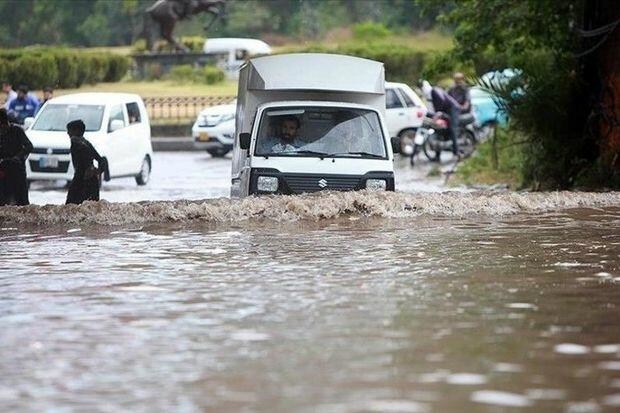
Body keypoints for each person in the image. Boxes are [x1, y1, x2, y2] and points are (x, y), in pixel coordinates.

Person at [65, 119, 109, 205]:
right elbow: (100, 159)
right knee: (90, 208)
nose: (68, 133)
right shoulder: (85, 142)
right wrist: (97, 171)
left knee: (71, 206)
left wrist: (90, 170)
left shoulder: (76, 143)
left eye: (69, 130)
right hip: (90, 181)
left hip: (82, 180)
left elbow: (92, 159)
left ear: (76, 131)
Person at [421, 80, 462, 161]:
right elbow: (430, 108)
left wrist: (438, 114)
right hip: (444, 111)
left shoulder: (434, 91)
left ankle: (456, 152)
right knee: (439, 130)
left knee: (452, 129)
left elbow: (441, 101)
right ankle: (437, 155)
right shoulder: (428, 95)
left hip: (452, 109)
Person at [0, 108, 33, 206]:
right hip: (3, 170)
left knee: (21, 200)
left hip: (17, 169)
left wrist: (18, 157)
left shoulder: (17, 130)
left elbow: (29, 146)